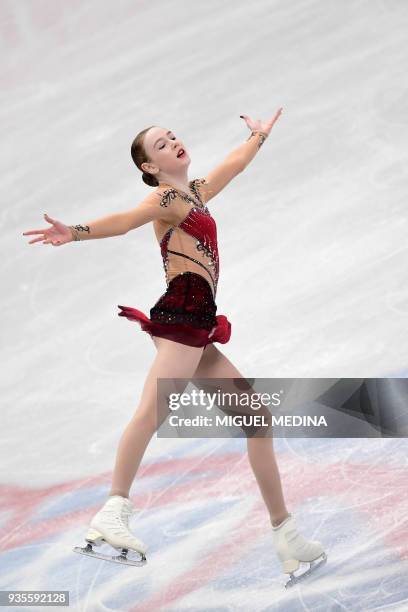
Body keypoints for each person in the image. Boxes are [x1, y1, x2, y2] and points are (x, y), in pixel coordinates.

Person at [23, 110, 326, 583]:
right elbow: (125, 220)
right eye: (161, 145)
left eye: (173, 136)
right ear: (151, 167)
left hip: (197, 326)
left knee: (256, 419)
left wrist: (257, 137)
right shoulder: (163, 198)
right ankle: (113, 509)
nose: (174, 143)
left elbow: (235, 164)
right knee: (151, 412)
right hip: (182, 319)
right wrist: (75, 232)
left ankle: (284, 532)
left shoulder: (195, 194)